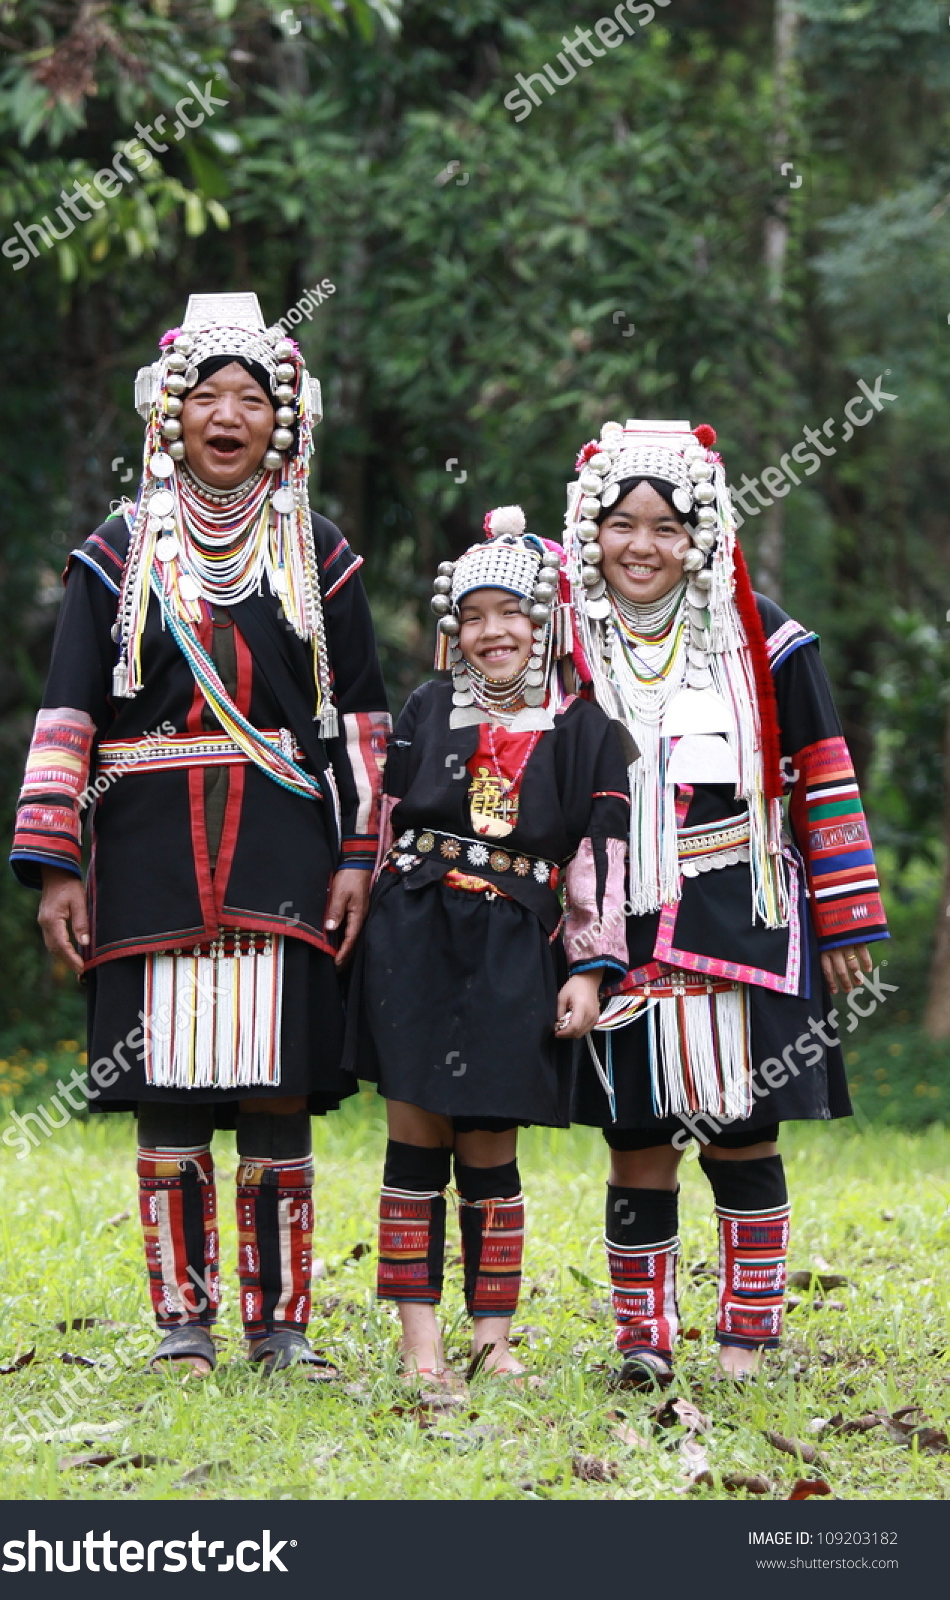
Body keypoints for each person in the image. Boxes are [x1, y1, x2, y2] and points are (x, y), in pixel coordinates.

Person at [10, 293, 390, 1377]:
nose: (229, 415)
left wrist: (360, 853)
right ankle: (184, 1326)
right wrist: (55, 866)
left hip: (284, 851)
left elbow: (358, 717)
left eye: (252, 398)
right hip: (142, 852)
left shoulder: (320, 555)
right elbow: (67, 710)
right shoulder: (117, 554)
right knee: (167, 1091)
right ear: (170, 415)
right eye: (208, 395)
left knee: (275, 1087)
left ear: (286, 422)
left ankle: (282, 1329)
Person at [563, 419, 889, 1385]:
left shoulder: (767, 642)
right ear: (593, 530)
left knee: (742, 1130)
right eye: (623, 523)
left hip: (745, 915)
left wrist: (847, 912)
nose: (642, 546)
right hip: (617, 918)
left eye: (667, 527)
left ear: (701, 537)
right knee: (638, 1137)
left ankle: (747, 1338)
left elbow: (822, 775)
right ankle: (643, 1341)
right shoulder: (565, 645)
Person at [350, 506, 632, 1386]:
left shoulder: (590, 730)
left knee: (488, 1146)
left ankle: (492, 1338)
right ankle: (418, 1343)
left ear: (549, 622)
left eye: (510, 612)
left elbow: (599, 861)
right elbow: (380, 818)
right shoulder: (428, 709)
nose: (490, 631)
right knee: (414, 1137)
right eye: (470, 615)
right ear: (451, 629)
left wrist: (590, 967)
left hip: (516, 948)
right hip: (414, 932)